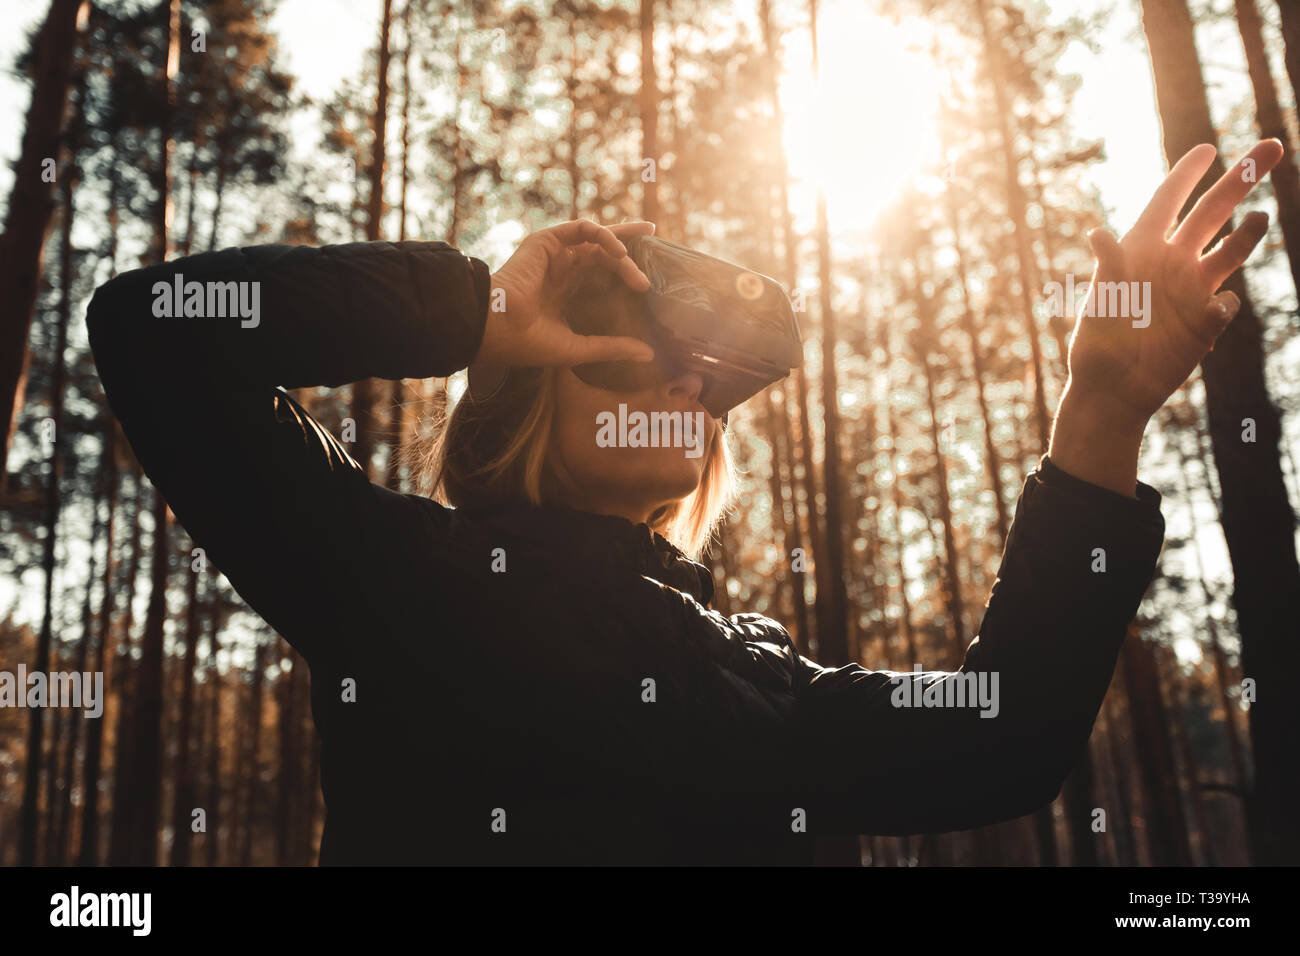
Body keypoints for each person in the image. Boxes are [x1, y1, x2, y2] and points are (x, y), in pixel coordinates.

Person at [86, 140, 1282, 865]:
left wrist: (1105, 410)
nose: (687, 381)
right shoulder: (396, 580)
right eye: (632, 344)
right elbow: (157, 335)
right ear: (521, 400)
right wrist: (478, 308)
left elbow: (1002, 738)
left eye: (705, 376)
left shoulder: (762, 673)